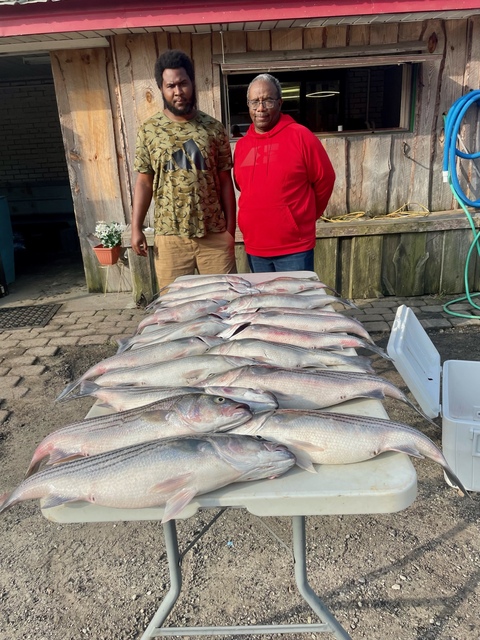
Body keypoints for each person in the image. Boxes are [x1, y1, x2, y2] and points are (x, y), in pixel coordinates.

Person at [131, 49, 237, 290]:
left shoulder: (213, 128)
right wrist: (136, 227)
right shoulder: (149, 130)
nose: (178, 92)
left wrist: (230, 231)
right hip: (170, 239)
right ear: (161, 88)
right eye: (170, 86)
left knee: (226, 304)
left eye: (183, 83)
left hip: (214, 236)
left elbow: (225, 181)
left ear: (192, 82)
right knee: (175, 310)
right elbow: (144, 183)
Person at [233, 73, 336, 273]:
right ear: (248, 105)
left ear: (280, 103)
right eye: (254, 102)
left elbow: (326, 179)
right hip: (255, 247)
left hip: (294, 249)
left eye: (267, 101)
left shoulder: (301, 136)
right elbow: (242, 186)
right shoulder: (242, 146)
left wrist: (303, 218)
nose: (260, 108)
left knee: (296, 305)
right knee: (265, 303)